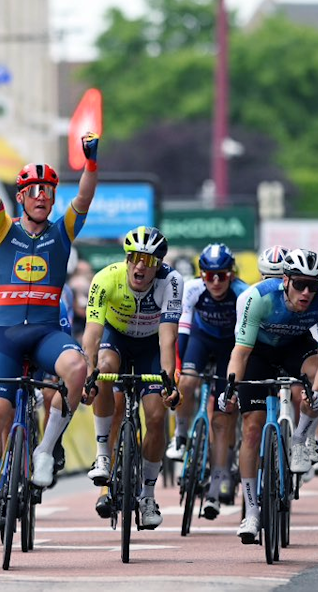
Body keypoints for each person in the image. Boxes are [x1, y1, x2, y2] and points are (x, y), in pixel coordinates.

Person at [0, 131, 97, 546]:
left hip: (46, 333)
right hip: (6, 336)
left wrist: (90, 163)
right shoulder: (2, 230)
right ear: (21, 197)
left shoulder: (62, 233)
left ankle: (44, 450)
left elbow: (85, 199)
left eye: (48, 190)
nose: (41, 195)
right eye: (33, 190)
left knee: (77, 367)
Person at [218, 248, 318, 544]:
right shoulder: (256, 297)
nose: (307, 292)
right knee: (252, 428)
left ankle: (301, 439)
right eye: (300, 284)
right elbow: (240, 352)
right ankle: (252, 511)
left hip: (295, 347)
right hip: (257, 351)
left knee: (316, 384)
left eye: (314, 285)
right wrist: (230, 388)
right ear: (285, 280)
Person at [82, 226, 183, 529]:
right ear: (127, 259)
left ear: (159, 265)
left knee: (155, 416)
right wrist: (89, 376)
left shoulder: (172, 283)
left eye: (149, 261)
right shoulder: (104, 279)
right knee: (102, 368)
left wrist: (168, 381)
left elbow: (168, 340)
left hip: (151, 346)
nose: (141, 265)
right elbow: (92, 335)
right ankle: (102, 455)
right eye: (136, 258)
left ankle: (148, 496)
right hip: (117, 340)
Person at [168, 243, 249, 518]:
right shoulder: (193, 289)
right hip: (200, 341)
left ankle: (217, 483)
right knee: (187, 383)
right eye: (209, 275)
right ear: (201, 275)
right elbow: (183, 332)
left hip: (230, 346)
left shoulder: (242, 293)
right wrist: (179, 369)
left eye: (222, 275)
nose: (215, 281)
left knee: (223, 413)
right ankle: (180, 436)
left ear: (232, 274)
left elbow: (244, 338)